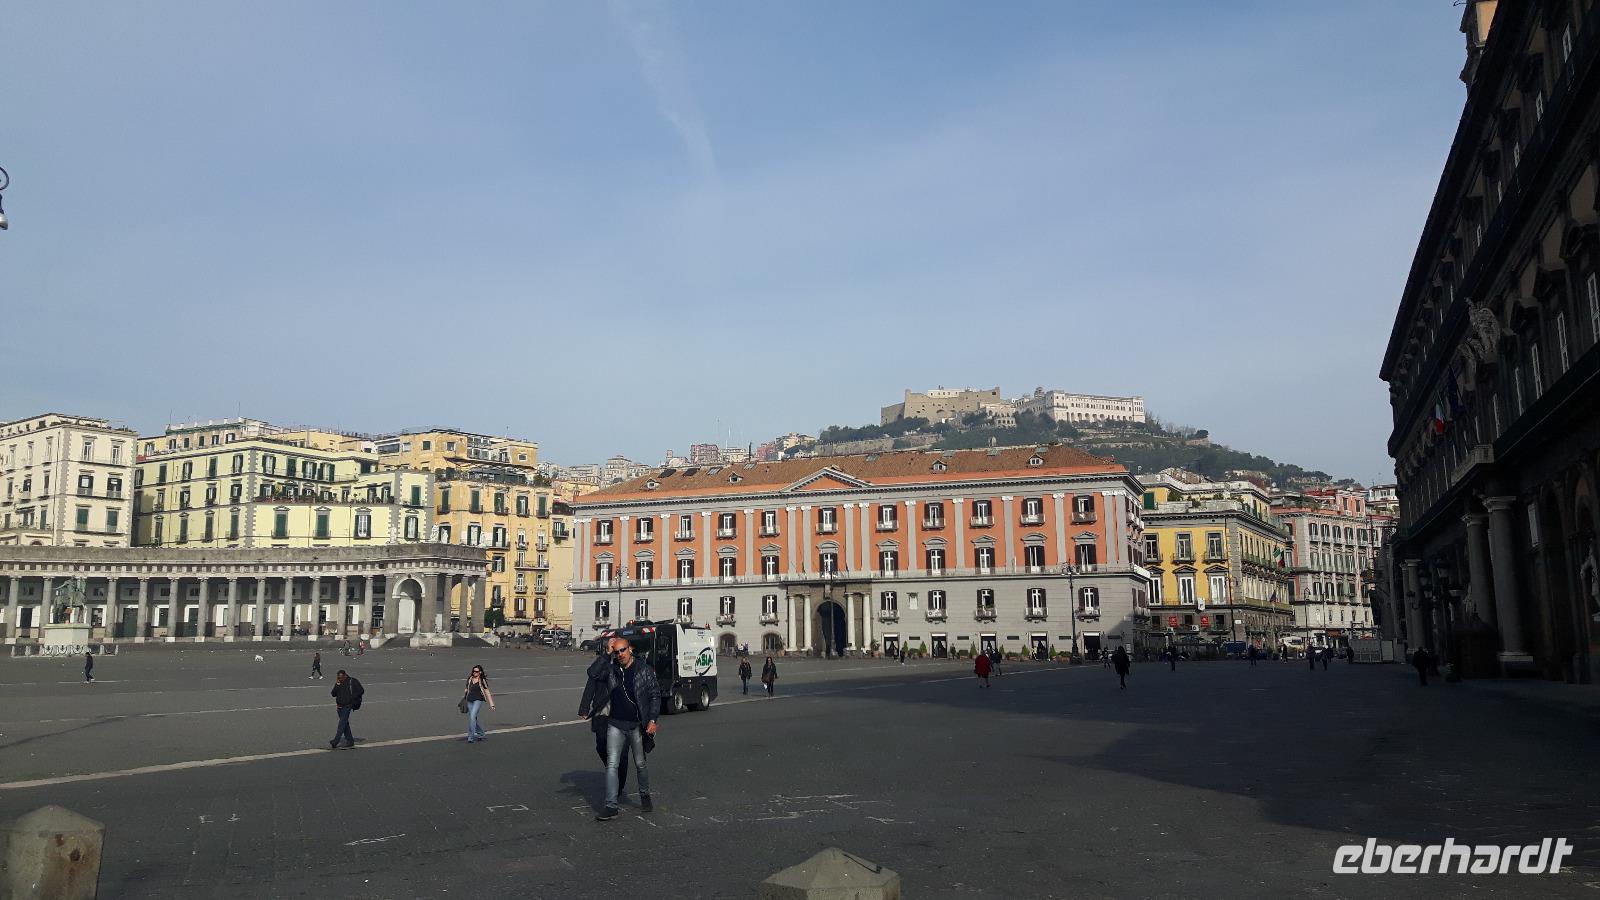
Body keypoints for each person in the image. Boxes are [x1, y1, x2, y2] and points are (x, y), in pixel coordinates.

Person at [596, 636, 658, 821]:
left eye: (622, 650)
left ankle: (644, 795)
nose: (620, 654)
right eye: (616, 652)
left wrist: (652, 720)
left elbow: (655, 695)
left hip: (637, 725)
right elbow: (593, 673)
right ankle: (611, 806)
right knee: (612, 765)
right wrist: (606, 654)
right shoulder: (612, 669)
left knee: (640, 764)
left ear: (630, 649)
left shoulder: (644, 670)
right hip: (615, 724)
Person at [579, 644, 628, 796]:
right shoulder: (601, 665)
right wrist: (584, 708)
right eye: (613, 648)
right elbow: (591, 682)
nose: (616, 651)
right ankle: (611, 768)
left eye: (619, 649)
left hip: (622, 715)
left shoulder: (627, 664)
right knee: (601, 746)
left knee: (622, 753)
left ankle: (618, 784)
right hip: (602, 713)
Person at [329, 669, 363, 749]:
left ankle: (336, 741)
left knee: (341, 724)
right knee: (345, 724)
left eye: (341, 677)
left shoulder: (352, 681)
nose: (340, 679)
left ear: (345, 675)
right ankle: (350, 741)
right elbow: (333, 694)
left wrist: (351, 698)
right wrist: (337, 684)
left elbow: (361, 690)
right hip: (339, 707)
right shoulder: (339, 683)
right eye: (338, 678)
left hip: (347, 706)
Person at [463, 665, 496, 743]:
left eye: (476, 671)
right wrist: (466, 690)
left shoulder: (482, 680)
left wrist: (492, 704)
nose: (474, 672)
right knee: (473, 718)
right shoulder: (470, 678)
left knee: (472, 717)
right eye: (473, 671)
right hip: (469, 700)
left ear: (480, 672)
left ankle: (470, 737)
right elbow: (467, 687)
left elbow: (487, 692)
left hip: (478, 700)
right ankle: (481, 733)